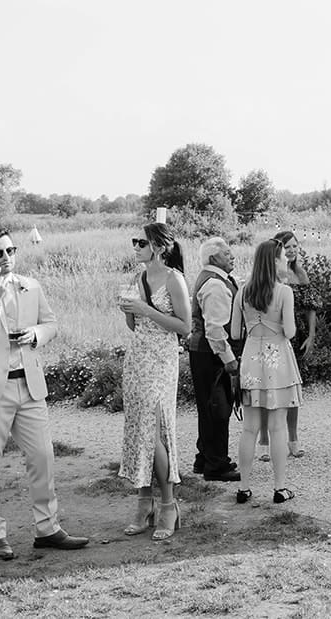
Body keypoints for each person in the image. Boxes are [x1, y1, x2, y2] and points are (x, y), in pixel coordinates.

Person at [0, 227, 87, 560]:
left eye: (11, 251)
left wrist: (37, 334)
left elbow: (52, 322)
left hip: (28, 382)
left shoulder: (31, 286)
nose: (7, 258)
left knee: (43, 457)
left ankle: (48, 529)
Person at [116, 222, 193, 542]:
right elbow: (137, 326)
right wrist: (128, 311)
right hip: (137, 359)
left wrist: (145, 308)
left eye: (141, 242)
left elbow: (184, 326)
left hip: (161, 362)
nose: (135, 246)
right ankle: (143, 501)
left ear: (159, 247)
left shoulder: (175, 279)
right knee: (138, 430)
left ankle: (168, 504)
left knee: (158, 432)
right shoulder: (138, 278)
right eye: (134, 242)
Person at [229, 239, 302, 505]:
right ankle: (279, 488)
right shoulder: (284, 292)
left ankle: (244, 487)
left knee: (249, 428)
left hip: (250, 359)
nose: (286, 261)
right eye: (283, 257)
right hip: (277, 361)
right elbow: (291, 332)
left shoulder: (243, 291)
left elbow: (235, 332)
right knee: (277, 427)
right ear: (273, 261)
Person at [187, 237, 241, 483]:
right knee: (217, 408)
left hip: (203, 352)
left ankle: (204, 458)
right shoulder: (215, 285)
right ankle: (216, 465)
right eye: (227, 253)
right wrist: (228, 358)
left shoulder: (212, 279)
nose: (232, 256)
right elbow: (215, 329)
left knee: (209, 407)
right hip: (210, 353)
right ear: (214, 257)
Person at [268, 230, 321, 457]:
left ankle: (293, 439)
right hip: (275, 334)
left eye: (294, 247)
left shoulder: (300, 274)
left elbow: (312, 309)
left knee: (293, 391)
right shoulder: (271, 274)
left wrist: (311, 336)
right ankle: (266, 441)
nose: (291, 251)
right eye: (286, 247)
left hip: (298, 335)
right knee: (270, 388)